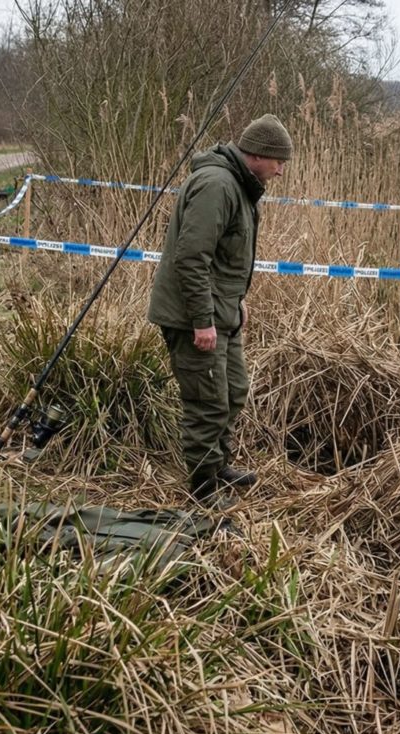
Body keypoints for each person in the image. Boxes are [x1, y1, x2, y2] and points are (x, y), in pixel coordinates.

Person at [148, 114, 292, 505]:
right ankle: (203, 487)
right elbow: (192, 258)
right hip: (193, 316)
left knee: (233, 391)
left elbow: (224, 259)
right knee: (207, 402)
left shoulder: (239, 185)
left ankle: (218, 464)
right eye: (279, 161)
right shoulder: (217, 185)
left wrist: (236, 301)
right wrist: (202, 320)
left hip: (222, 311)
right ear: (259, 155)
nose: (281, 171)